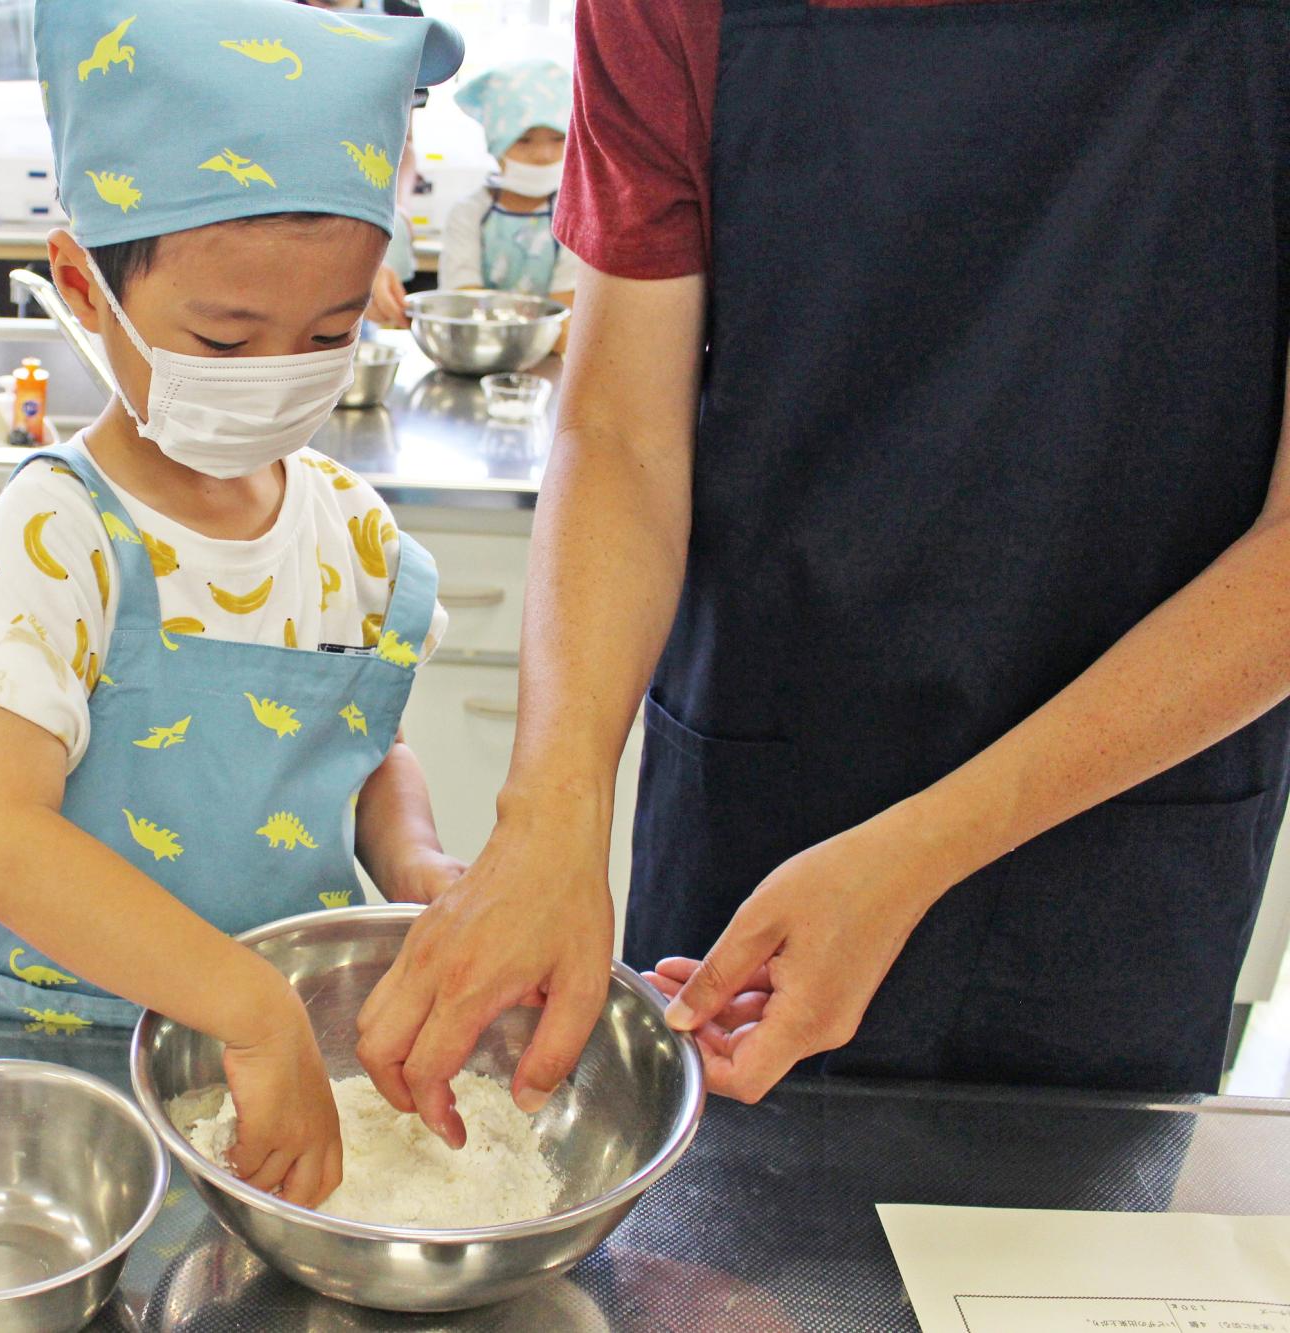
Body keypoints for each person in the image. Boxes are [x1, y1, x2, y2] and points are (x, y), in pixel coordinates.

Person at [355, 0, 1290, 1140]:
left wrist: (917, 853)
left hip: (1123, 807)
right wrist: (546, 813)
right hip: (764, 771)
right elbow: (619, 435)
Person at [0, 0, 465, 1209]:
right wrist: (246, 1007)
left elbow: (358, 741)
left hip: (264, 1050)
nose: (277, 378)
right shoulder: (67, 531)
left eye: (327, 331)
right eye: (222, 337)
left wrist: (411, 858)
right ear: (84, 290)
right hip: (52, 1045)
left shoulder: (351, 533)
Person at [439, 59, 580, 348]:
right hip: (477, 349)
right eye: (524, 140)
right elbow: (464, 303)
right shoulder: (469, 214)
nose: (543, 154)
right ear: (497, 144)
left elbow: (566, 316)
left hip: (549, 359)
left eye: (557, 139)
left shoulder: (574, 216)